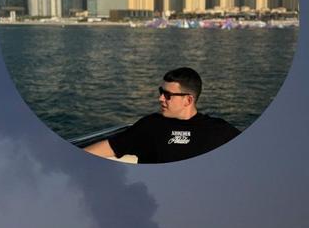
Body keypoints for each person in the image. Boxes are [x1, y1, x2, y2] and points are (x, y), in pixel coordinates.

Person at [84, 67, 240, 164]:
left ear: (188, 100)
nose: (160, 98)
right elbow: (110, 147)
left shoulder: (218, 130)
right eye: (161, 92)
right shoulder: (150, 126)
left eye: (167, 95)